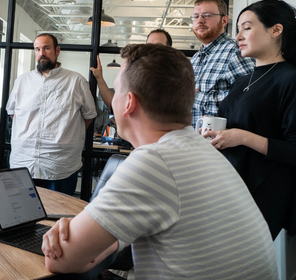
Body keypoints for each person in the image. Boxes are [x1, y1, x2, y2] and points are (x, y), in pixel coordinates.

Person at [41, 44, 277, 278]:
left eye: (117, 91)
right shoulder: (201, 151)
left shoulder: (155, 162)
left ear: (129, 103)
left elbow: (61, 260)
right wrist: (94, 245)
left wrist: (68, 241)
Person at [206, 0, 296, 239]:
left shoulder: (293, 81)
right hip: (229, 188)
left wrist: (242, 137)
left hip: (262, 195)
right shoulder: (243, 81)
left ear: (276, 30)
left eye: (246, 28)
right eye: (238, 29)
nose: (238, 36)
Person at [6, 33, 97, 196]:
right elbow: (13, 113)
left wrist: (68, 136)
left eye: (46, 48)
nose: (41, 53)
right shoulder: (22, 81)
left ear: (57, 50)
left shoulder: (76, 81)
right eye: (37, 49)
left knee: (57, 217)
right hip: (23, 162)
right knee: (22, 215)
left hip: (60, 165)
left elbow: (89, 115)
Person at [190, 0, 254, 126]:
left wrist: (194, 98)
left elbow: (248, 97)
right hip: (193, 140)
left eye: (207, 15)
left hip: (222, 143)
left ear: (224, 20)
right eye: (196, 16)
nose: (200, 20)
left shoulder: (235, 50)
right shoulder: (195, 58)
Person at [92, 28, 173, 111]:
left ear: (169, 50)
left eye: (158, 46)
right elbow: (115, 107)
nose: (151, 49)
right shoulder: (138, 77)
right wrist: (99, 78)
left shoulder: (177, 80)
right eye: (149, 45)